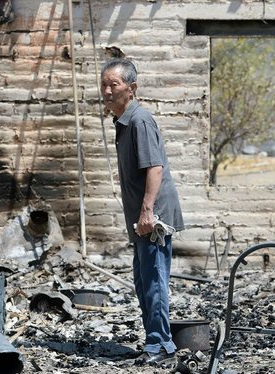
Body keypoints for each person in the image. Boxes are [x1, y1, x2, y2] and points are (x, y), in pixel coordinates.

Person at [100, 58, 185, 366]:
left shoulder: (139, 120)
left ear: (131, 88)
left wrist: (148, 212)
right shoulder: (124, 122)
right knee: (143, 278)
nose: (108, 91)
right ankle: (155, 340)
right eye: (104, 85)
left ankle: (161, 345)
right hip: (143, 219)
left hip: (154, 218)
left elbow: (155, 167)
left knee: (153, 280)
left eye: (115, 85)